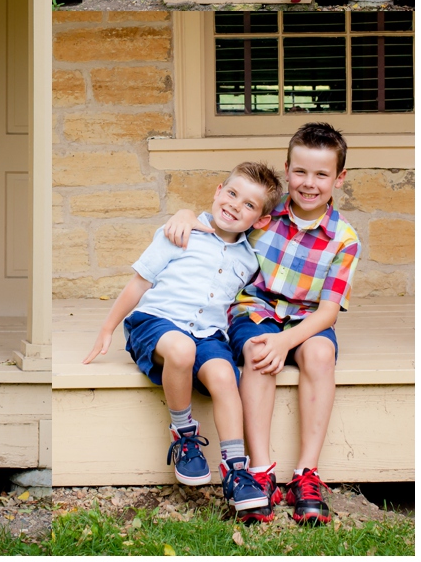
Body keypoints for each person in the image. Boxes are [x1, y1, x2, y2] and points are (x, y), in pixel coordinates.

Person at [164, 123, 360, 524]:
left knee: (320, 353)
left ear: (339, 178)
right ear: (287, 170)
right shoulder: (263, 215)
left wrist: (288, 341)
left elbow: (327, 311)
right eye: (301, 172)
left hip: (307, 319)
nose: (309, 183)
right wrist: (185, 213)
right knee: (258, 352)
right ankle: (260, 470)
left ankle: (307, 474)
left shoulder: (344, 239)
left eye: (322, 174)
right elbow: (218, 220)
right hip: (255, 310)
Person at [83, 163, 283, 522]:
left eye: (250, 205)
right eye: (233, 194)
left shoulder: (248, 260)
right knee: (181, 349)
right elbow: (140, 283)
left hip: (208, 334)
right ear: (218, 190)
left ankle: (236, 470)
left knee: (224, 376)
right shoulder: (181, 231)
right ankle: (184, 435)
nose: (236, 206)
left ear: (261, 221)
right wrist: (107, 327)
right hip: (157, 324)